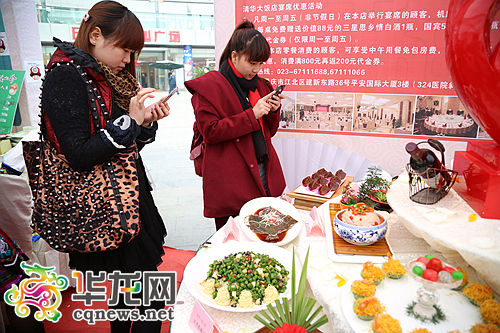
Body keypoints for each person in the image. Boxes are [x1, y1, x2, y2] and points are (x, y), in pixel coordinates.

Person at [39, 1, 168, 332]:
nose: (128, 60)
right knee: (147, 302)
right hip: (102, 205)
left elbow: (127, 141)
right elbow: (79, 153)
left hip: (127, 198)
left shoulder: (108, 77)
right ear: (95, 35)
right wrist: (130, 122)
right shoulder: (65, 76)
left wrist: (145, 122)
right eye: (124, 50)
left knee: (129, 295)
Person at [185, 20, 286, 230]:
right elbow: (210, 132)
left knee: (264, 232)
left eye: (260, 64)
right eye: (252, 63)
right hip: (231, 178)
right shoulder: (209, 86)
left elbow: (269, 132)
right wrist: (252, 114)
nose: (256, 69)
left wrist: (273, 111)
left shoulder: (261, 85)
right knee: (233, 238)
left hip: (263, 169)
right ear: (234, 56)